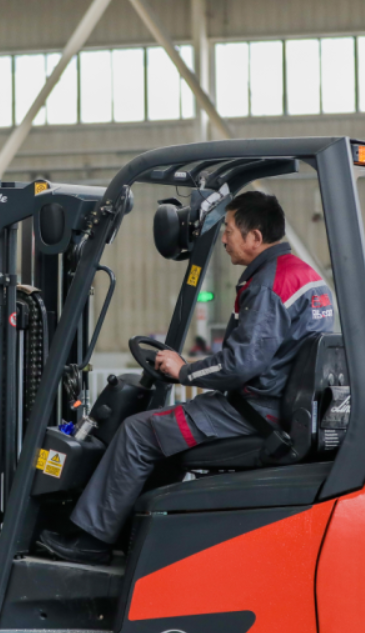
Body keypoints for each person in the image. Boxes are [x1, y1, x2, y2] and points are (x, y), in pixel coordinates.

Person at [37, 191, 335, 565]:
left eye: (228, 230)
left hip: (254, 412)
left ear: (255, 238)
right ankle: (137, 536)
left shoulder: (269, 285)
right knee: (159, 434)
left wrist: (185, 370)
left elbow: (241, 365)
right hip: (273, 406)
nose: (224, 238)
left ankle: (92, 540)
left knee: (136, 432)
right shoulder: (303, 276)